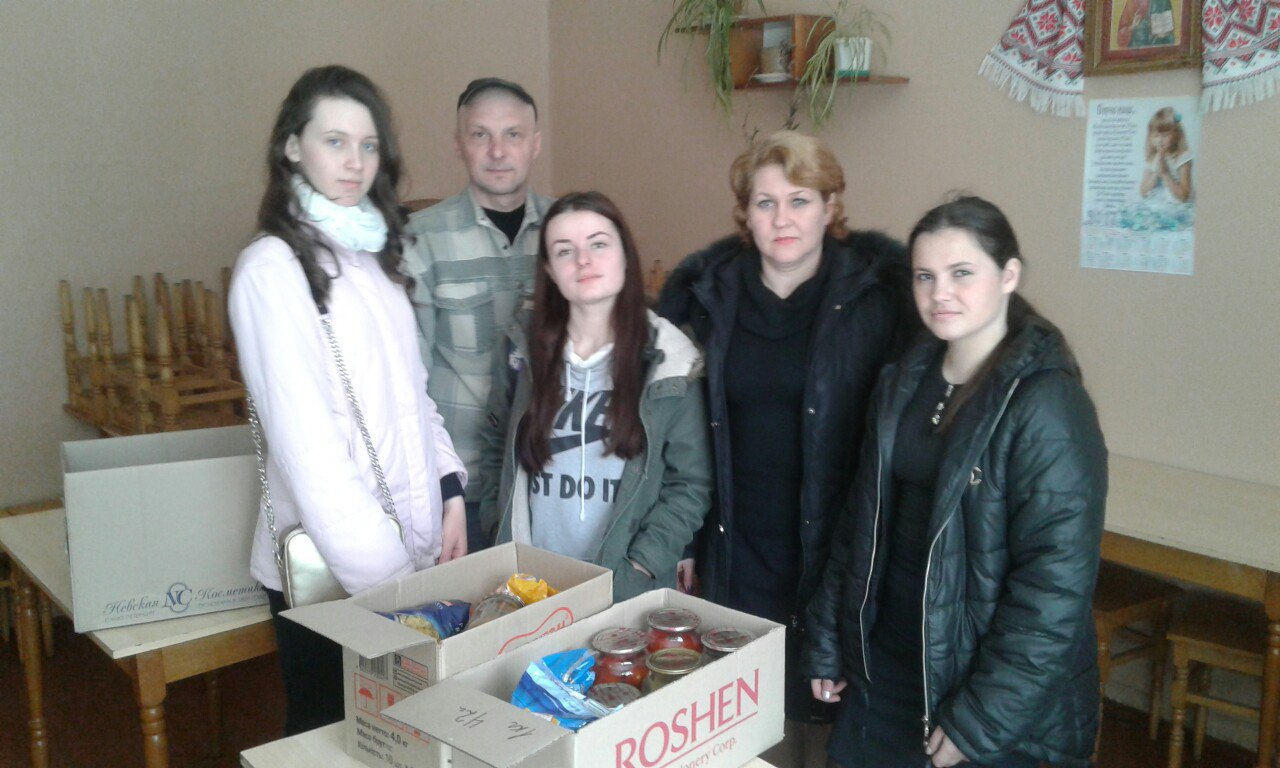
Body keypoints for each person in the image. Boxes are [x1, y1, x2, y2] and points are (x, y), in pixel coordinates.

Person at [802, 195, 1107, 768]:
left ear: (1009, 275)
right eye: (925, 276)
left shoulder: (1047, 403)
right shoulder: (903, 380)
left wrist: (982, 718)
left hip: (983, 693)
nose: (940, 292)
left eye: (961, 273)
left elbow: (1054, 588)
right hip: (885, 667)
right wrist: (828, 638)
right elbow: (859, 523)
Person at [657, 130, 911, 768]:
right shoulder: (709, 296)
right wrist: (687, 540)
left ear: (831, 207)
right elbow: (680, 431)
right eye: (765, 203)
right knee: (740, 716)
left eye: (800, 200)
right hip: (734, 546)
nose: (782, 219)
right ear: (745, 214)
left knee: (824, 718)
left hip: (833, 551)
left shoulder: (880, 300)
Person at [229, 65, 467, 735]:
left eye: (368, 145)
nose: (355, 162)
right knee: (334, 737)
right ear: (291, 147)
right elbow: (311, 458)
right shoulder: (271, 270)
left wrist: (449, 490)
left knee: (401, 733)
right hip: (339, 572)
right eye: (334, 141)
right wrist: (394, 589)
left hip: (411, 549)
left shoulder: (374, 257)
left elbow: (415, 398)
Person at [480, 191, 712, 601]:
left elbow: (689, 485)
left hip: (625, 586)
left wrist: (640, 565)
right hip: (530, 583)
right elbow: (496, 446)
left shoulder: (672, 361)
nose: (583, 260)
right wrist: (496, 528)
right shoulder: (522, 350)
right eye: (564, 250)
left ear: (625, 255)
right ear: (550, 270)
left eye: (598, 244)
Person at [404, 77, 551, 552]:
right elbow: (405, 382)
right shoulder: (420, 239)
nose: (498, 151)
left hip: (548, 484)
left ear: (535, 144)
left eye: (513, 134)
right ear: (458, 144)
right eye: (480, 134)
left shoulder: (569, 234)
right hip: (459, 490)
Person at [1139, 106, 1193, 204]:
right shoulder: (1152, 158)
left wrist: (1165, 174)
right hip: (1159, 205)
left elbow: (1184, 197)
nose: (1160, 140)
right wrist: (1156, 173)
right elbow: (1143, 193)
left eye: (1165, 135)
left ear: (1176, 135)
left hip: (1177, 206)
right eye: (1156, 136)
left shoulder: (1182, 158)